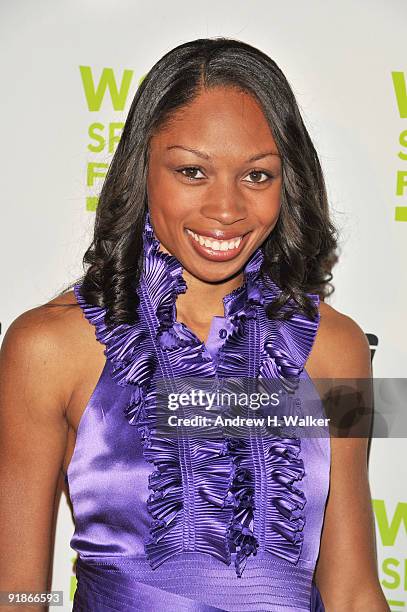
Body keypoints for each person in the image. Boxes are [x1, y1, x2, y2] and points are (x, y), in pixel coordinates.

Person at [0, 37, 389, 612]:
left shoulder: (338, 348)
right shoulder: (49, 348)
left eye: (256, 176)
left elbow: (353, 589)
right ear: (142, 170)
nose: (226, 209)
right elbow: (18, 593)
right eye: (192, 171)